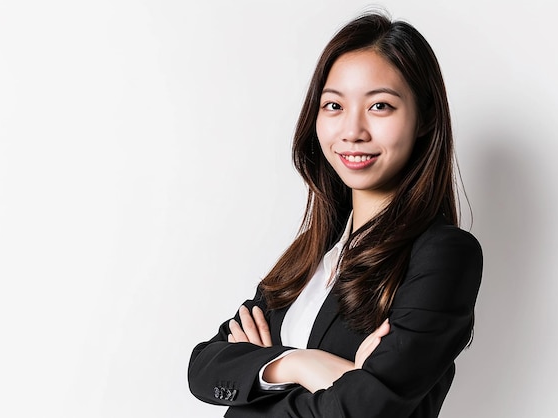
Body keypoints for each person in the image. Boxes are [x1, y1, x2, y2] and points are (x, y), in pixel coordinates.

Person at [187, 10, 483, 418]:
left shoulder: (443, 255)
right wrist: (301, 364)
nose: (352, 131)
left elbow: (365, 409)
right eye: (333, 106)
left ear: (424, 119)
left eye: (380, 106)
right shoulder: (313, 252)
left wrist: (262, 369)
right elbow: (203, 367)